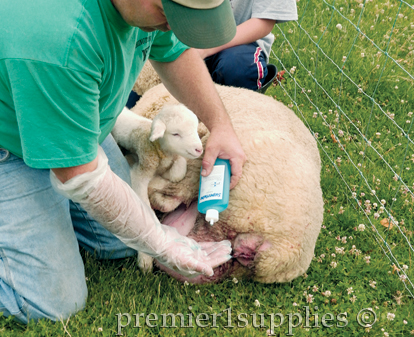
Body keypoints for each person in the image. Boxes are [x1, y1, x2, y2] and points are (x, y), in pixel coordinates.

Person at [0, 0, 246, 323]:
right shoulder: (61, 35)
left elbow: (174, 53)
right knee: (52, 302)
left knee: (121, 245)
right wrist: (161, 244)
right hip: (10, 145)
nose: (172, 26)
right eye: (168, 14)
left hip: (73, 124)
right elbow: (82, 178)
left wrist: (221, 125)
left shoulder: (145, 10)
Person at [196, 0, 298, 92]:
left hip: (241, 43)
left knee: (238, 67)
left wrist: (206, 49)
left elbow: (263, 22)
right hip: (191, 34)